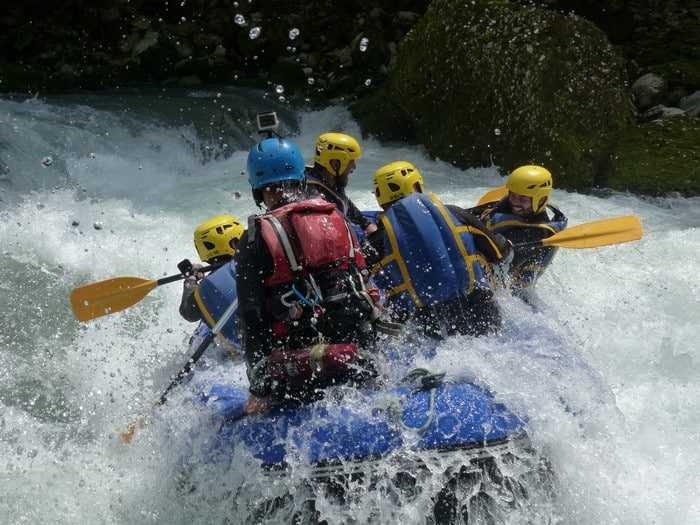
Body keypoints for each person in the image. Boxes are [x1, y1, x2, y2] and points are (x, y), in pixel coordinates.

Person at [235, 137, 379, 415]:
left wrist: (259, 389)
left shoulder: (254, 239)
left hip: (301, 376)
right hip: (359, 357)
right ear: (301, 177)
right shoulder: (337, 217)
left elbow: (251, 315)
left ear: (256, 189)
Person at [362, 161, 513, 339]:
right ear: (416, 184)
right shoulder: (456, 214)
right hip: (481, 309)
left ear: (381, 197)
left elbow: (358, 280)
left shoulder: (376, 240)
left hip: (427, 323)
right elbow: (498, 254)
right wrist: (506, 243)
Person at [469, 165, 568, 299]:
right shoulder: (510, 204)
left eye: (522, 199)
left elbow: (498, 265)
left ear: (541, 199)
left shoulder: (536, 233)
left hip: (513, 296)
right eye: (512, 195)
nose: (515, 202)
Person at [305, 132, 378, 238]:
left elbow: (345, 203)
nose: (354, 167)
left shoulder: (329, 180)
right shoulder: (315, 197)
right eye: (351, 162)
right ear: (334, 164)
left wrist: (366, 224)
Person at [179, 214, 244, 322]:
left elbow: (189, 314)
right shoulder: (256, 262)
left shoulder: (207, 286)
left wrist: (191, 281)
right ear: (234, 244)